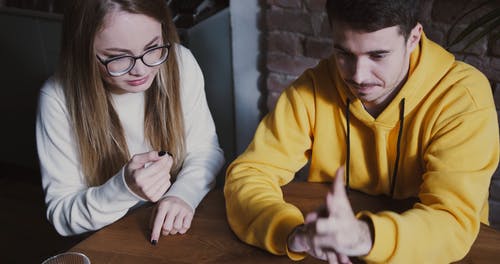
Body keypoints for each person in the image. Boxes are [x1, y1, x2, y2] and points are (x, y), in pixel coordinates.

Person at [224, 0, 499, 263]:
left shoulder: (463, 98)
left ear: (413, 38)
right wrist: (293, 232)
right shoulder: (312, 89)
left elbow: (452, 221)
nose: (358, 76)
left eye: (378, 55)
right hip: (332, 253)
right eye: (344, 54)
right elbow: (248, 174)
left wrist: (363, 236)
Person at [36, 0, 224, 245]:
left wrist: (183, 195)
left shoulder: (180, 63)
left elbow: (205, 151)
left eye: (153, 47)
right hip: (107, 241)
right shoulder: (57, 99)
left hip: (177, 230)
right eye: (118, 57)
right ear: (82, 50)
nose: (141, 70)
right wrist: (123, 188)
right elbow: (62, 215)